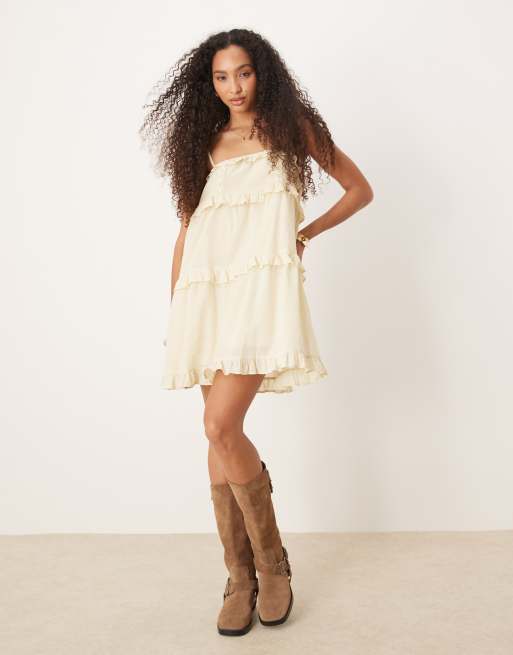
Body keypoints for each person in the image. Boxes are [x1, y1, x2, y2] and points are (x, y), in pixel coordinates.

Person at [139, 28, 373, 636]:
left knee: (221, 426)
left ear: (261, 72)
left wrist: (304, 234)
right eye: (221, 77)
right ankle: (239, 578)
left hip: (259, 297)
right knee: (217, 433)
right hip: (206, 296)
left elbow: (359, 190)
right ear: (209, 84)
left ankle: (272, 568)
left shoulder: (292, 130)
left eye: (242, 73)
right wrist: (178, 310)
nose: (234, 87)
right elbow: (188, 232)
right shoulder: (204, 145)